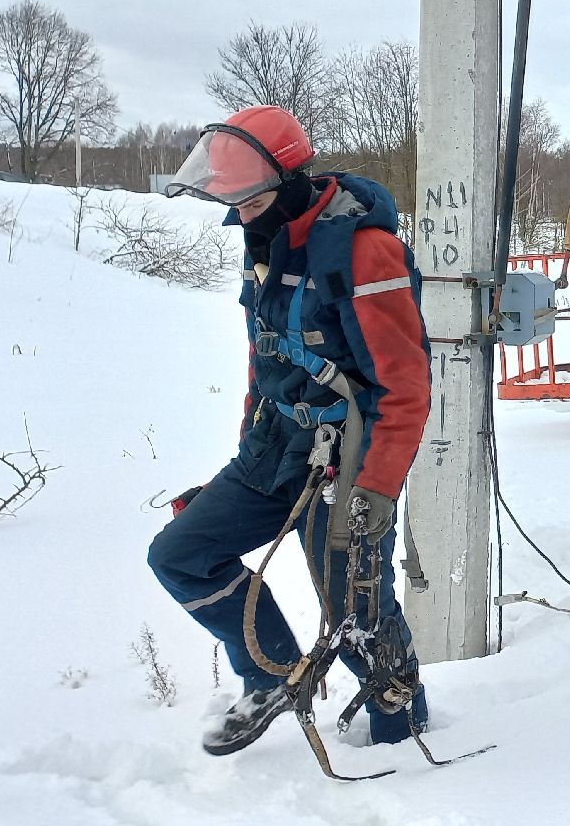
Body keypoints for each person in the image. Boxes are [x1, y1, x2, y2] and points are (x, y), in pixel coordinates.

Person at [148, 105, 432, 755]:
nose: (240, 212)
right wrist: (245, 456)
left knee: (357, 612)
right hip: (275, 446)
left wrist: (378, 490)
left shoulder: (364, 253)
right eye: (234, 201)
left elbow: (407, 390)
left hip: (347, 455)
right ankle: (270, 676)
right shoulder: (265, 239)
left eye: (248, 199)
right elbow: (265, 357)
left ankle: (403, 731)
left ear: (288, 181)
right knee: (180, 555)